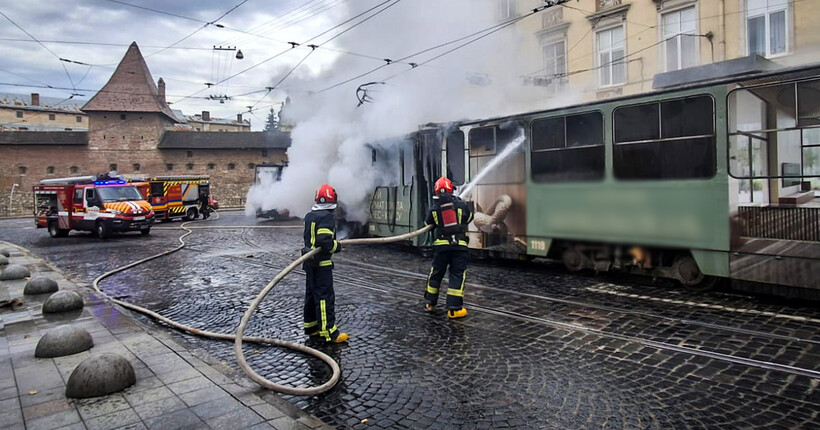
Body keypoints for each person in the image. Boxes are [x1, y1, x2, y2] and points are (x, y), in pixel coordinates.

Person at [302, 184, 348, 343]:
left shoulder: (309, 216)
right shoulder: (326, 217)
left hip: (309, 264)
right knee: (324, 298)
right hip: (322, 265)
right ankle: (329, 332)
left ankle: (311, 327)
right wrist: (338, 246)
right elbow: (324, 242)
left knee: (311, 295)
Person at [423, 177, 473, 319]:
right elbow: (469, 218)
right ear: (451, 189)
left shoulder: (434, 208)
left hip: (441, 248)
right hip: (459, 247)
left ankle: (430, 303)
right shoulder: (460, 205)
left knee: (436, 273)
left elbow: (427, 222)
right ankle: (454, 309)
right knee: (457, 275)